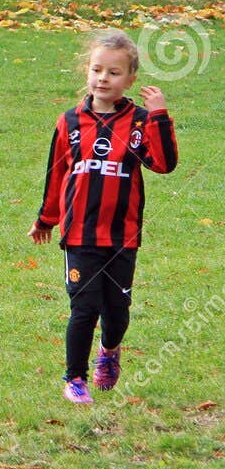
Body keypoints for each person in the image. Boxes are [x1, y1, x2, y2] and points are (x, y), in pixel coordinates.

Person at [30, 30, 176, 404]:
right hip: (79, 234)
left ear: (130, 79)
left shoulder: (141, 122)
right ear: (87, 71)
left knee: (116, 310)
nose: (103, 79)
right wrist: (46, 220)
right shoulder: (70, 122)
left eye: (113, 72)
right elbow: (56, 174)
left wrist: (159, 114)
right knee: (84, 307)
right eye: (97, 70)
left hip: (122, 236)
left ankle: (109, 351)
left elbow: (163, 164)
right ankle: (74, 378)